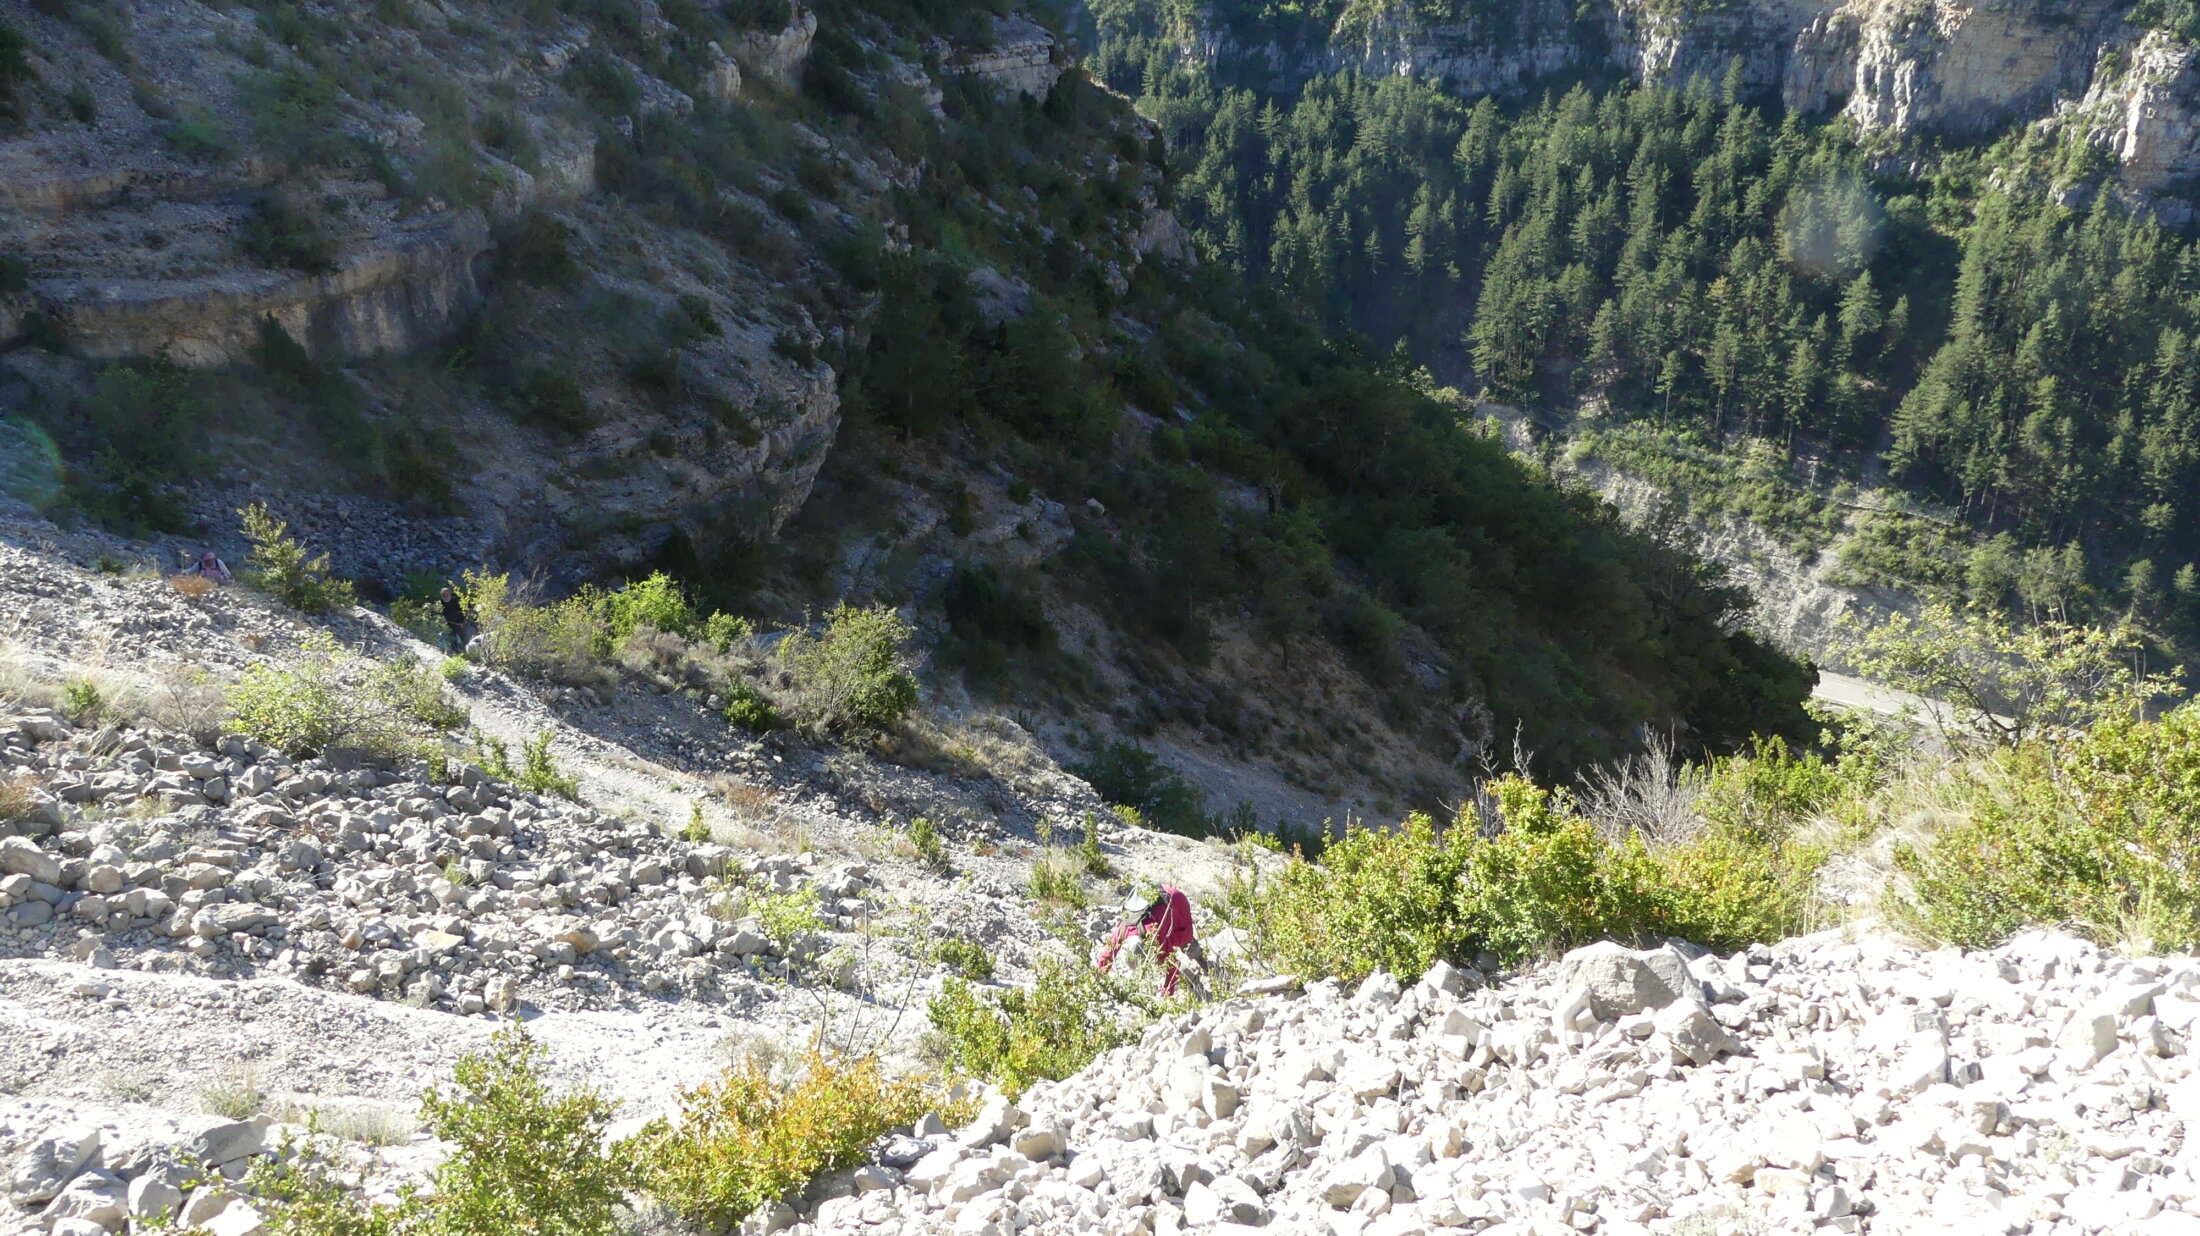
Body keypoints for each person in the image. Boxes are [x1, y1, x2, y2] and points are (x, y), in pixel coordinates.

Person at [1097, 885, 1205, 997]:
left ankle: (1203, 963)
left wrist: (1166, 992)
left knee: (1184, 941)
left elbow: (1172, 964)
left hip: (1175, 900)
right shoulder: (1123, 930)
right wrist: (1098, 982)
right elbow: (1106, 956)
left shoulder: (1154, 937)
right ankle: (1192, 975)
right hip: (1153, 907)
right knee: (1167, 945)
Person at [439, 585, 470, 654]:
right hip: (449, 623)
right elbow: (440, 611)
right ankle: (456, 652)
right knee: (452, 638)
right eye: (443, 593)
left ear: (449, 593)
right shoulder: (441, 601)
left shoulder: (455, 600)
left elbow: (465, 610)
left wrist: (463, 621)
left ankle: (469, 651)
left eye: (446, 593)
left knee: (464, 638)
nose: (444, 594)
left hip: (459, 623)